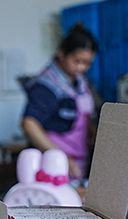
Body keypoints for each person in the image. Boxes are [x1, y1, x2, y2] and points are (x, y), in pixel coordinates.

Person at [20, 24, 100, 180]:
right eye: (77, 61)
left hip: (78, 164)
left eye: (87, 63)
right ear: (62, 54)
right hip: (52, 167)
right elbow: (29, 123)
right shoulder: (47, 86)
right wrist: (60, 156)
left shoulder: (80, 83)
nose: (81, 67)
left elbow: (85, 118)